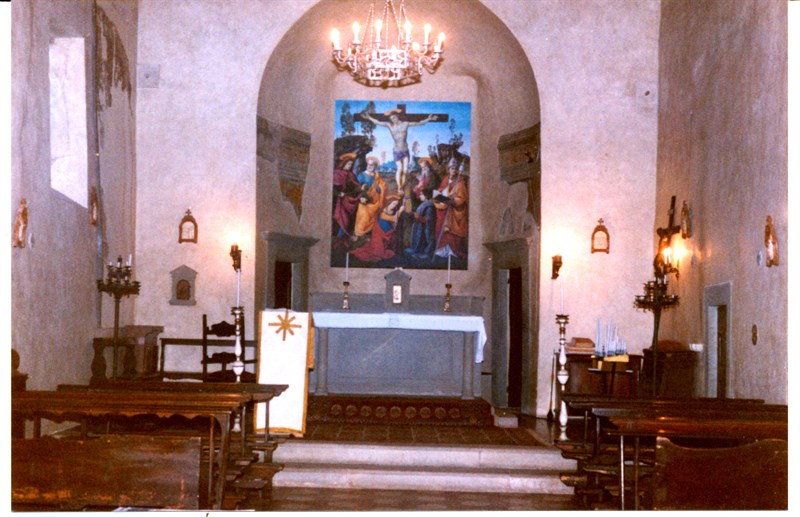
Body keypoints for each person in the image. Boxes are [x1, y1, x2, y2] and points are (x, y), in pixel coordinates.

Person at [363, 109, 438, 191]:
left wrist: (428, 119)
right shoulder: (390, 126)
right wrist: (369, 117)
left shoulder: (405, 124)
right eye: (391, 119)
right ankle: (400, 187)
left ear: (397, 117)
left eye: (394, 117)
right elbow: (378, 122)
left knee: (405, 170)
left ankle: (402, 186)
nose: (393, 120)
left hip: (405, 151)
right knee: (399, 169)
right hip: (396, 151)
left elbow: (418, 123)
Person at [433, 158, 468, 258]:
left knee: (452, 231)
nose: (453, 170)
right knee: (440, 228)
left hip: (454, 211)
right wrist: (440, 194)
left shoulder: (460, 182)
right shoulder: (445, 179)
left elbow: (462, 198)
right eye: (451, 168)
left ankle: (452, 251)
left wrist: (453, 200)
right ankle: (441, 250)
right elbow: (440, 190)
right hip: (443, 209)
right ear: (448, 169)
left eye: (455, 168)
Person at [351, 156, 386, 248]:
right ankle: (358, 235)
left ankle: (366, 236)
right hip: (364, 200)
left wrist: (379, 188)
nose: (370, 166)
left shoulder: (377, 176)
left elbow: (382, 186)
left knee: (371, 219)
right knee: (362, 217)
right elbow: (357, 187)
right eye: (368, 164)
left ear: (375, 166)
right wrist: (362, 194)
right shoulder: (361, 175)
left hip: (374, 201)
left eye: (372, 165)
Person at [332, 152, 361, 238]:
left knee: (348, 221)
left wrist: (360, 189)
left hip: (349, 200)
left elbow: (355, 187)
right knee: (340, 218)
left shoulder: (352, 175)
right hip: (338, 201)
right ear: (344, 163)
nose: (349, 166)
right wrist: (338, 194)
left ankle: (343, 237)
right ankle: (337, 237)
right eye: (348, 164)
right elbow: (333, 188)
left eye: (351, 164)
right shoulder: (336, 174)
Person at [405, 187, 437, 259]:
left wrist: (416, 216)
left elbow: (427, 221)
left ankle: (426, 253)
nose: (419, 196)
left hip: (425, 229)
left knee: (425, 239)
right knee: (417, 237)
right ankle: (415, 250)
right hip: (419, 226)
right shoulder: (424, 204)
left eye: (421, 194)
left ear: (426, 195)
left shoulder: (429, 207)